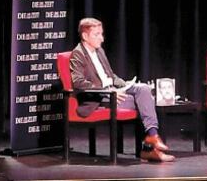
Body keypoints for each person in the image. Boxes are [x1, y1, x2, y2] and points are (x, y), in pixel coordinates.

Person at [68, 18, 175, 163]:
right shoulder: (78, 54)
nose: (102, 38)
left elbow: (111, 76)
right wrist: (108, 91)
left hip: (111, 91)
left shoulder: (100, 52)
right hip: (98, 98)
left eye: (102, 34)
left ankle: (152, 138)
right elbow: (78, 83)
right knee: (145, 102)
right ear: (85, 36)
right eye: (97, 34)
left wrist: (126, 85)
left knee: (143, 90)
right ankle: (149, 148)